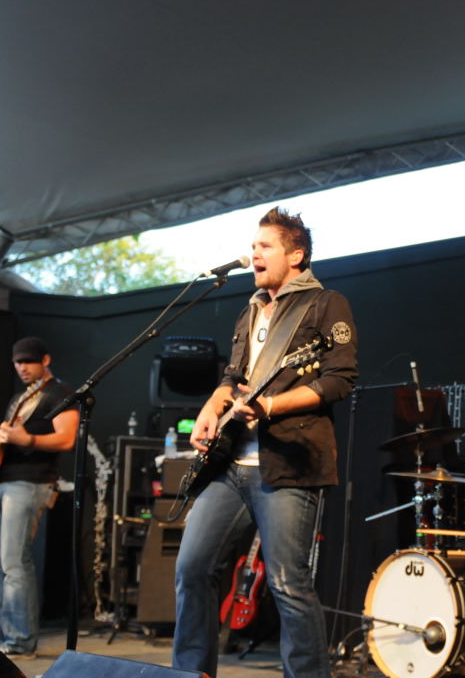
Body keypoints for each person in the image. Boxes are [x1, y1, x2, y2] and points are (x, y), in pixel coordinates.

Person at [172, 207, 358, 678]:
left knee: (288, 584)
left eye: (265, 246)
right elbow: (233, 377)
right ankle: (191, 673)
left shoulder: (325, 304)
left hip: (289, 465)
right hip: (231, 464)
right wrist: (211, 407)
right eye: (253, 245)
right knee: (192, 568)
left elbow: (339, 380)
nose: (253, 253)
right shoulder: (250, 309)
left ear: (296, 255)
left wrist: (270, 406)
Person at [0, 336, 78, 658]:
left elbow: (67, 439)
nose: (22, 367)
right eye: (18, 362)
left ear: (45, 360)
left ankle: (21, 641)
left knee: (14, 562)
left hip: (30, 482)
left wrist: (28, 439)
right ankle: (4, 636)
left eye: (28, 361)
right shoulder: (20, 398)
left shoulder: (59, 393)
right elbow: (3, 437)